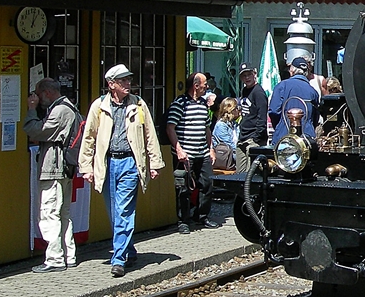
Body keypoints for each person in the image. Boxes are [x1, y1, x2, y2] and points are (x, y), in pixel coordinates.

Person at [79, 65, 165, 277]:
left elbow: (149, 135)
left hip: (130, 164)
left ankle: (118, 259)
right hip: (107, 164)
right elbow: (88, 137)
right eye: (123, 81)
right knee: (113, 211)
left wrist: (155, 163)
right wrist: (86, 167)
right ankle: (129, 248)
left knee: (124, 211)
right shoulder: (99, 106)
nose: (128, 84)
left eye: (129, 80)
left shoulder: (138, 104)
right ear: (111, 85)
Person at [23, 78, 80, 273]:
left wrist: (31, 110)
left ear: (47, 93)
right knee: (63, 213)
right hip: (64, 168)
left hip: (54, 168)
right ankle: (68, 255)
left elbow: (35, 130)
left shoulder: (60, 111)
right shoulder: (69, 107)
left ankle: (55, 258)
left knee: (49, 212)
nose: (37, 99)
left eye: (39, 95)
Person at [166, 72, 220, 234]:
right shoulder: (180, 103)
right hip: (185, 154)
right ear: (196, 86)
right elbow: (170, 128)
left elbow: (207, 128)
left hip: (202, 152)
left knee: (207, 184)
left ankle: (201, 216)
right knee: (183, 188)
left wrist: (211, 149)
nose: (207, 86)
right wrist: (179, 149)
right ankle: (183, 220)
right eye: (204, 84)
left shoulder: (203, 104)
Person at [269, 56, 320, 145]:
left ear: (292, 70)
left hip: (284, 138)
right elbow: (315, 117)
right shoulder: (313, 91)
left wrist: (281, 126)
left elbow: (274, 111)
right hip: (306, 139)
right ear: (306, 73)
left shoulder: (282, 86)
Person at [236, 62, 269, 166]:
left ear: (254, 74)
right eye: (244, 76)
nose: (247, 78)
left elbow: (262, 117)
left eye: (249, 74)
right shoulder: (244, 90)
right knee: (239, 174)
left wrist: (256, 138)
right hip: (242, 137)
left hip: (253, 139)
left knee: (251, 174)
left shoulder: (258, 92)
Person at [212, 97, 241, 172]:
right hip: (225, 157)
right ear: (230, 110)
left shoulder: (235, 124)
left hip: (234, 155)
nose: (239, 110)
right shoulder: (221, 125)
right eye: (237, 108)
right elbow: (229, 145)